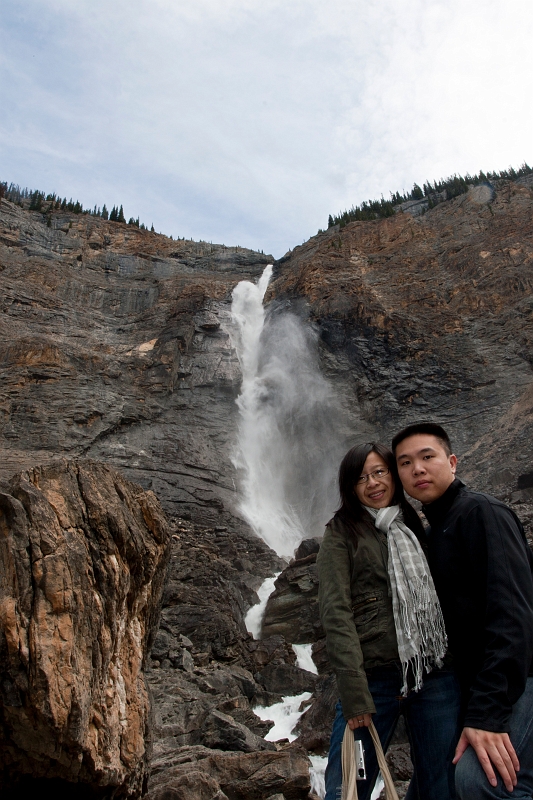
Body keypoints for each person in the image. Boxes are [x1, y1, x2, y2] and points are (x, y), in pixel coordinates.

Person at [392, 422, 533, 798]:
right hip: (478, 683)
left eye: (427, 457)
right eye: (405, 463)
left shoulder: (481, 513)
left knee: (477, 783)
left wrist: (486, 714)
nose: (417, 469)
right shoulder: (434, 529)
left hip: (520, 677)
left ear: (452, 462)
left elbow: (513, 616)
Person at [317, 442, 461, 800]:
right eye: (361, 477)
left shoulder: (412, 524)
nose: (373, 483)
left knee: (440, 786)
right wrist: (354, 695)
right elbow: (336, 613)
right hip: (374, 681)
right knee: (346, 787)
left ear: (393, 476)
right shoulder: (341, 532)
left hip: (433, 673)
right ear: (350, 486)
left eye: (380, 472)